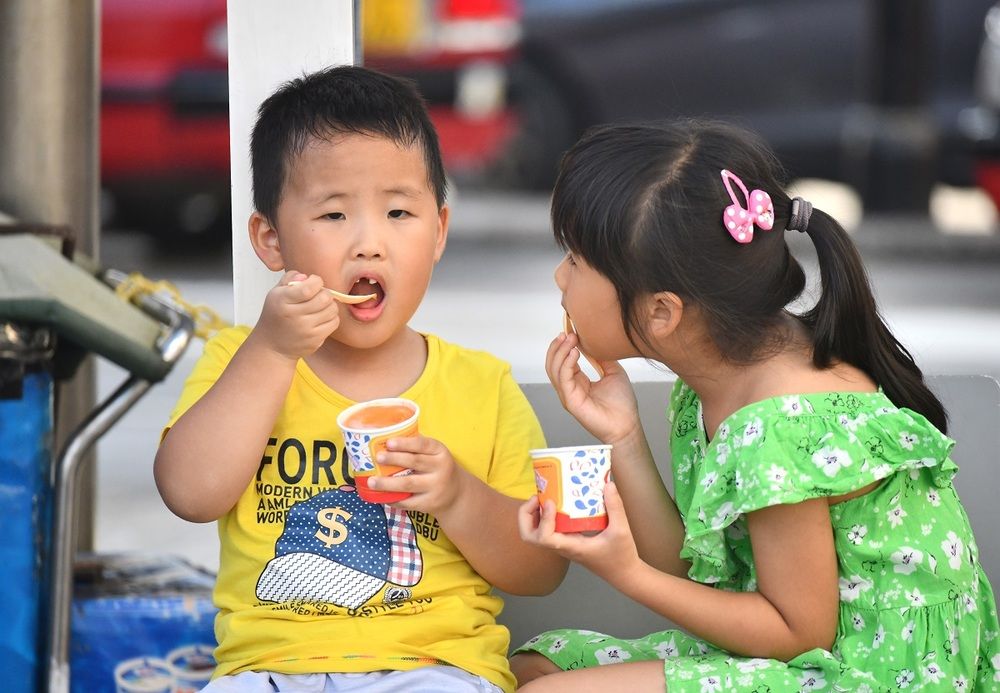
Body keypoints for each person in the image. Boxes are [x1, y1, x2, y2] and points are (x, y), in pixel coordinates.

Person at [510, 120, 1000, 691]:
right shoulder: (718, 377)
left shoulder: (775, 425)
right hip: (813, 651)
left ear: (661, 312)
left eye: (575, 258)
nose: (558, 276)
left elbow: (798, 633)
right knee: (537, 667)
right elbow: (697, 570)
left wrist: (628, 576)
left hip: (877, 674)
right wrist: (622, 437)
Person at [153, 65, 567, 693]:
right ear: (270, 240)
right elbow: (189, 492)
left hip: (433, 671)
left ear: (439, 233)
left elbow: (541, 569)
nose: (369, 244)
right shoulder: (241, 360)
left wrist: (457, 496)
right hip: (269, 672)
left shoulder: (482, 385)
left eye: (399, 211)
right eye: (333, 216)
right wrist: (270, 352)